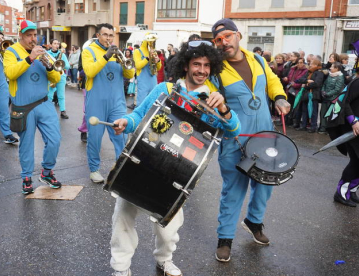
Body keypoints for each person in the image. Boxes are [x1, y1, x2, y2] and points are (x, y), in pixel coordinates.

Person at [111, 40, 241, 276]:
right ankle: (121, 268)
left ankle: (164, 260)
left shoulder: (213, 99)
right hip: (143, 160)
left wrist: (223, 109)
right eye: (196, 64)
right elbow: (139, 116)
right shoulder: (164, 90)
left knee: (168, 226)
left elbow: (233, 131)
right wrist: (125, 122)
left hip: (176, 172)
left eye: (206, 65)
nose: (201, 70)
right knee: (123, 216)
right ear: (185, 66)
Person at [211, 18, 290, 262]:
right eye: (218, 40)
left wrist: (278, 97)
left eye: (227, 36)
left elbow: (272, 80)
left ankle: (254, 222)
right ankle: (225, 239)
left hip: (265, 136)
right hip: (235, 140)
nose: (224, 43)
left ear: (238, 35)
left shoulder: (257, 59)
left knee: (265, 185)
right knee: (233, 191)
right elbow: (210, 102)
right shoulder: (215, 69)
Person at [3, 20, 62, 194]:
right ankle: (26, 177)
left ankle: (46, 172)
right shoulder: (11, 52)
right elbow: (10, 73)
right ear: (21, 35)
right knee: (27, 144)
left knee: (55, 140)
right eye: (29, 35)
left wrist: (50, 67)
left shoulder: (43, 52)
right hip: (23, 105)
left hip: (44, 102)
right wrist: (29, 58)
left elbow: (56, 79)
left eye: (34, 35)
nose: (33, 38)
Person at [327, 33, 359, 207]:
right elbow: (344, 103)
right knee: (357, 162)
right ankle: (341, 193)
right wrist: (354, 122)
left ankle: (352, 190)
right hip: (358, 130)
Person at [82, 23, 134, 183]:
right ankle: (94, 170)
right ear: (98, 35)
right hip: (96, 101)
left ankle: (121, 168)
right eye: (105, 35)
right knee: (95, 138)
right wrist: (105, 56)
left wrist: (125, 61)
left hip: (117, 101)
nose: (109, 38)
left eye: (111, 35)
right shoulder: (88, 51)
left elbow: (130, 72)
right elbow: (89, 71)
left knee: (121, 136)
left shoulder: (117, 52)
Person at [295, 59, 324, 133]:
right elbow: (299, 80)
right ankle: (303, 126)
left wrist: (306, 85)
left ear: (316, 65)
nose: (310, 64)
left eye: (312, 63)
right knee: (305, 110)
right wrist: (307, 81)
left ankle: (313, 127)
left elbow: (317, 83)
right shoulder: (309, 72)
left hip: (314, 94)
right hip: (306, 94)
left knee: (313, 111)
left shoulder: (319, 73)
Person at [133, 34, 162, 107]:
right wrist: (147, 58)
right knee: (141, 102)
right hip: (143, 80)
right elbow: (138, 65)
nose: (152, 42)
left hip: (153, 79)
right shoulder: (137, 51)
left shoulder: (153, 51)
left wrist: (158, 61)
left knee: (153, 101)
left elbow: (158, 68)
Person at [319, 62, 344, 134]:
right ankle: (322, 128)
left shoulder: (340, 77)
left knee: (330, 114)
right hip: (325, 97)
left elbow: (337, 89)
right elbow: (324, 84)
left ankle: (329, 129)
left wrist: (328, 94)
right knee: (323, 113)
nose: (330, 68)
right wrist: (323, 91)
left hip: (333, 99)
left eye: (332, 67)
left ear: (337, 69)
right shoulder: (330, 75)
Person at [47, 38, 70, 119]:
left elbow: (68, 66)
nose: (56, 45)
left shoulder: (62, 55)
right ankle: (48, 110)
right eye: (54, 43)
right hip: (51, 76)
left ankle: (63, 111)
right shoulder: (47, 54)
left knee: (61, 95)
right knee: (49, 94)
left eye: (57, 44)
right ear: (50, 45)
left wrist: (61, 64)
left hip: (61, 76)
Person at [284, 58, 308, 127]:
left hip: (297, 90)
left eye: (301, 62)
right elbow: (289, 78)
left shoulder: (305, 71)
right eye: (298, 63)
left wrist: (294, 84)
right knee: (289, 105)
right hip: (290, 89)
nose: (299, 64)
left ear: (303, 63)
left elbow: (301, 80)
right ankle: (288, 120)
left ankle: (294, 122)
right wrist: (286, 79)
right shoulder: (292, 69)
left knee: (296, 107)